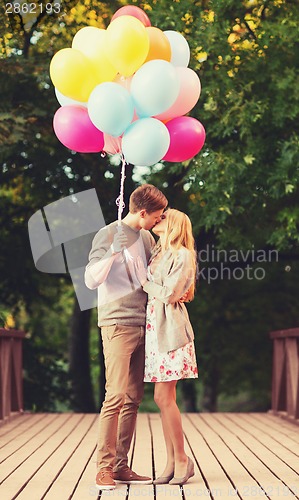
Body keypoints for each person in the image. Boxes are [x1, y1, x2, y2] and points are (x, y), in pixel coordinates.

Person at [84, 184, 168, 490]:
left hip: (143, 323)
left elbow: (152, 277)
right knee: (116, 395)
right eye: (157, 215)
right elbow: (91, 279)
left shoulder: (146, 237)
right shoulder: (107, 234)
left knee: (133, 398)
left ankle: (120, 466)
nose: (160, 220)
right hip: (117, 323)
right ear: (143, 212)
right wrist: (113, 252)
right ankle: (103, 468)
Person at [134, 208, 198, 486]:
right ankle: (172, 461)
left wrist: (144, 282)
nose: (157, 219)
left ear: (173, 224)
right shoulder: (159, 252)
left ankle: (182, 459)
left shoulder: (183, 254)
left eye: (163, 218)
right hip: (154, 328)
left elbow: (171, 293)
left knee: (163, 397)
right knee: (162, 399)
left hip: (170, 329)